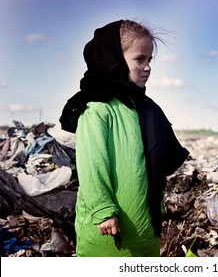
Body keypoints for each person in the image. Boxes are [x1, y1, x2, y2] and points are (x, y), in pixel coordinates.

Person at [59, 19, 189, 257]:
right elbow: (92, 166)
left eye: (150, 60)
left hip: (145, 233)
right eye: (140, 59)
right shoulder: (97, 110)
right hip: (108, 237)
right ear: (115, 60)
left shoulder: (144, 110)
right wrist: (102, 211)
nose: (148, 67)